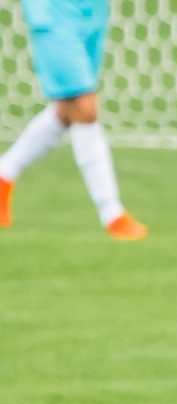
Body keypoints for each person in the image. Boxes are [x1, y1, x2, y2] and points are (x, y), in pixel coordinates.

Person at [0, 0, 147, 238]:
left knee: (67, 111)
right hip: (52, 13)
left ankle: (3, 174)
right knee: (84, 107)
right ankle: (112, 214)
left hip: (92, 12)